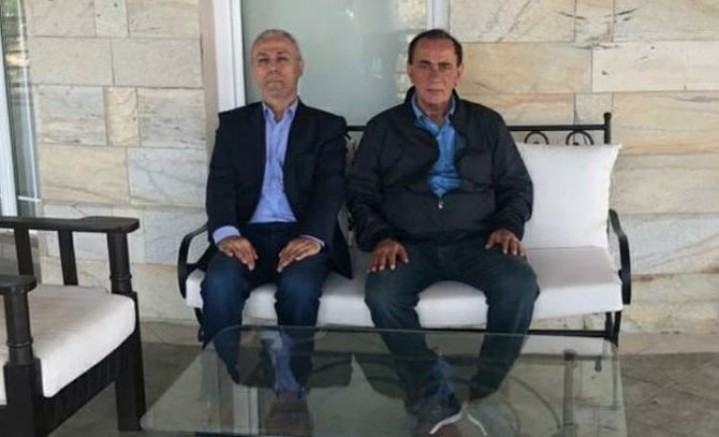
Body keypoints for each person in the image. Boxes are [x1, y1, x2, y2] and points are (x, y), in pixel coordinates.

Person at [347, 28, 538, 436]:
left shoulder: (486, 124)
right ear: (410, 70)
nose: (435, 76)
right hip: (406, 245)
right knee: (383, 295)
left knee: (519, 285)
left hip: (477, 241)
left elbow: (516, 186)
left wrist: (507, 226)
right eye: (425, 65)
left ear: (459, 72)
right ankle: (431, 395)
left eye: (444, 66)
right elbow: (360, 193)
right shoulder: (384, 128)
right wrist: (380, 236)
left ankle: (484, 393)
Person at [201, 29, 351, 436]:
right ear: (253, 70)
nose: (273, 67)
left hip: (300, 235)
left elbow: (331, 187)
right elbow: (220, 183)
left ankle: (291, 388)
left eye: (282, 58)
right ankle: (221, 388)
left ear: (299, 67)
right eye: (263, 59)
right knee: (219, 282)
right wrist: (226, 234)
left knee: (299, 288)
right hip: (245, 236)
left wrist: (313, 237)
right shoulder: (233, 125)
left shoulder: (326, 126)